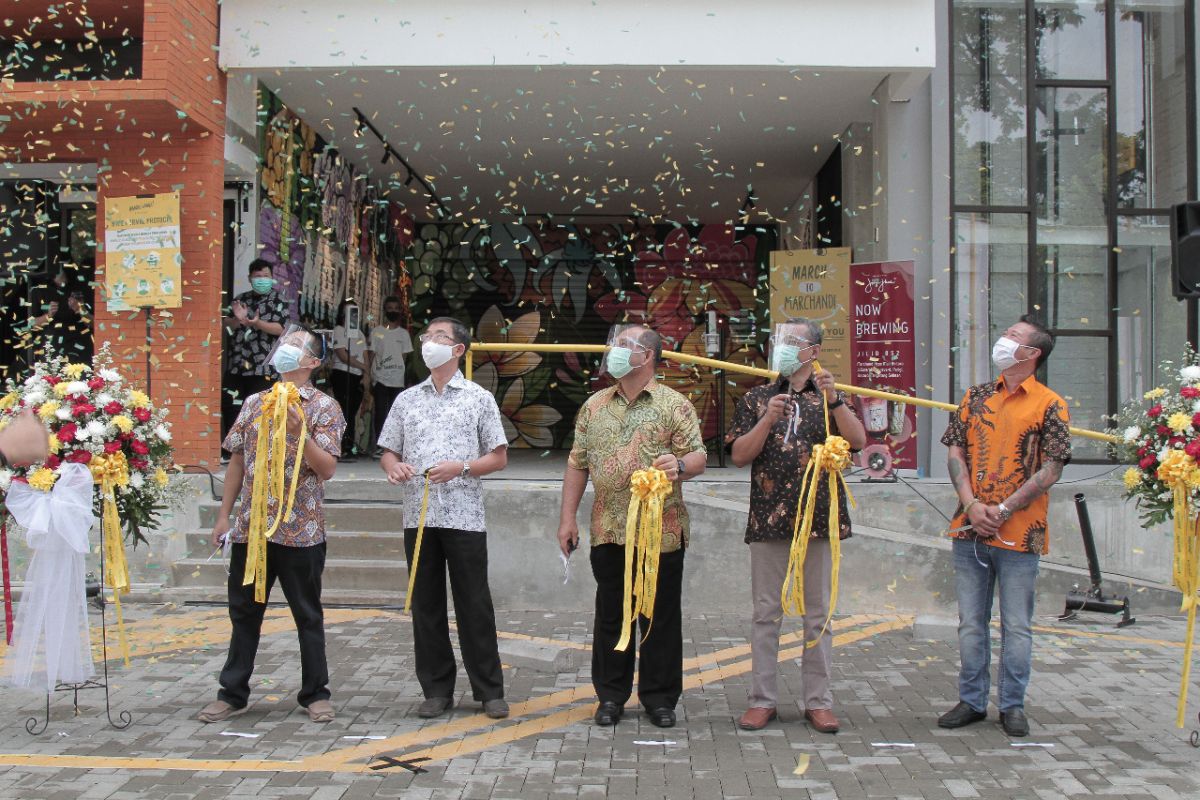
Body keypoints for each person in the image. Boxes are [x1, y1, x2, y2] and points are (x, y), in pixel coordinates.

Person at [556, 323, 707, 729]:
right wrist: (567, 517)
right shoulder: (594, 406)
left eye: (623, 345)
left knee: (658, 616)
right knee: (611, 614)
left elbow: (698, 458)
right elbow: (577, 463)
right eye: (614, 344)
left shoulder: (675, 405)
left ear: (648, 356)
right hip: (608, 528)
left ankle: (660, 698)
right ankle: (610, 696)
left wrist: (679, 466)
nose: (613, 351)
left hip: (663, 529)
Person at [199, 326, 346, 725]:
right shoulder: (254, 403)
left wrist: (300, 433)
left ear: (313, 362)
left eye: (296, 346)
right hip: (252, 528)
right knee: (244, 612)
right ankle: (233, 693)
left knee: (306, 613)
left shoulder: (323, 407)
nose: (285, 349)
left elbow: (327, 468)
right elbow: (237, 461)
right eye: (284, 344)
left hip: (302, 531)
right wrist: (224, 515)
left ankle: (315, 693)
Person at [727, 318, 866, 734]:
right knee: (766, 613)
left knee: (817, 614)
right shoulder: (757, 397)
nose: (782, 347)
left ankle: (818, 702)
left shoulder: (830, 396)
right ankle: (762, 700)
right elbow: (738, 455)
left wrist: (836, 400)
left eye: (792, 341)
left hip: (819, 520)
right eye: (779, 341)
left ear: (814, 351)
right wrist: (767, 419)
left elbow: (858, 441)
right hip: (768, 518)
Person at [937, 315, 1071, 738]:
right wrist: (972, 504)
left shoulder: (1051, 404)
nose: (1002, 340)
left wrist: (1006, 507)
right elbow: (955, 450)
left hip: (1020, 533)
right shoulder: (975, 397)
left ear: (1032, 354)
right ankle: (971, 700)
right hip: (969, 526)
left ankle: (1012, 705)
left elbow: (1052, 467)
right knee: (971, 622)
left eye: (1012, 337)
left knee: (1017, 625)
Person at [377, 316, 510, 720]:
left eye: (439, 337)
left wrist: (463, 467)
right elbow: (388, 450)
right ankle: (436, 689)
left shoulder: (478, 398)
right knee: (426, 605)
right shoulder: (406, 400)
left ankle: (489, 691)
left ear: (458, 350)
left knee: (474, 604)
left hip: (464, 515)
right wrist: (393, 467)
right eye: (426, 336)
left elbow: (499, 456)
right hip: (418, 516)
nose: (428, 343)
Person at [223, 259, 287, 443]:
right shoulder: (240, 300)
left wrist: (256, 323)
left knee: (260, 410)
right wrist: (238, 321)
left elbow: (280, 329)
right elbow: (226, 325)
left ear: (272, 278)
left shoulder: (278, 300)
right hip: (237, 365)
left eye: (265, 276)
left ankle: (256, 448)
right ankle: (231, 449)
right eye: (257, 276)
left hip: (264, 368)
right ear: (250, 278)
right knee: (232, 406)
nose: (261, 279)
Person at [365, 296, 413, 455]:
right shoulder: (377, 332)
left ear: (400, 311)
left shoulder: (404, 334)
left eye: (396, 308)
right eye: (390, 308)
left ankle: (395, 447)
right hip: (380, 379)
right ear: (385, 310)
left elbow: (405, 358)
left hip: (398, 381)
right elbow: (371, 355)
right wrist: (367, 376)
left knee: (397, 415)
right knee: (380, 413)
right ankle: (380, 446)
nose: (393, 311)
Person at [330, 299, 369, 461]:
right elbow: (342, 354)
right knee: (343, 409)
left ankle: (350, 443)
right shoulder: (338, 330)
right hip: (342, 374)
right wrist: (361, 365)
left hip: (357, 376)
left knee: (352, 411)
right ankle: (340, 444)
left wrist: (366, 374)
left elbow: (365, 355)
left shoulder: (359, 333)